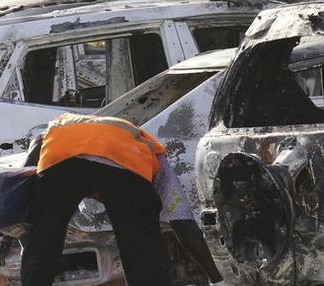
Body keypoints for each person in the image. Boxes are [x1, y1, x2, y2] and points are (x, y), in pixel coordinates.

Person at [21, 113, 224, 286]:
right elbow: (183, 223)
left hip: (60, 158)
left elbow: (35, 148)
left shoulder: (61, 127)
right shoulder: (153, 151)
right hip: (124, 163)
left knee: (42, 235)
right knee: (141, 239)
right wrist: (218, 280)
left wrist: (28, 215)